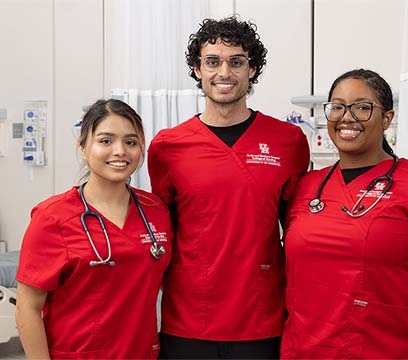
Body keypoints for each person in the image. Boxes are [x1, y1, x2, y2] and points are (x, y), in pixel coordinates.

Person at [148, 16, 310, 359]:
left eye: (237, 61)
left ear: (252, 69)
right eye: (212, 62)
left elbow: (297, 231)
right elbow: (162, 231)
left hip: (261, 317)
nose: (225, 72)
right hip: (189, 319)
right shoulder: (167, 147)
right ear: (196, 69)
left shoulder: (288, 142)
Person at [280, 69, 408, 359]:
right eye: (338, 107)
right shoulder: (307, 187)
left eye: (362, 107)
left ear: (387, 118)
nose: (347, 117)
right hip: (301, 351)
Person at [15, 99, 172, 359]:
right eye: (106, 141)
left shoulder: (155, 210)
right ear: (83, 147)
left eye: (131, 142)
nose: (120, 151)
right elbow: (28, 307)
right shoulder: (52, 218)